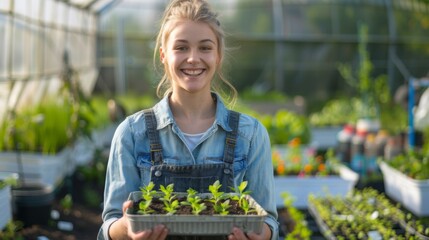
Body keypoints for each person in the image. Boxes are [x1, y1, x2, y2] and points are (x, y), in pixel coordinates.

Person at [97, 0, 279, 239]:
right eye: (181, 48)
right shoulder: (132, 133)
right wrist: (126, 228)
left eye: (205, 48)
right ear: (163, 55)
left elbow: (269, 221)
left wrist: (261, 234)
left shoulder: (251, 134)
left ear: (218, 56)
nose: (193, 58)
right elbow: (109, 224)